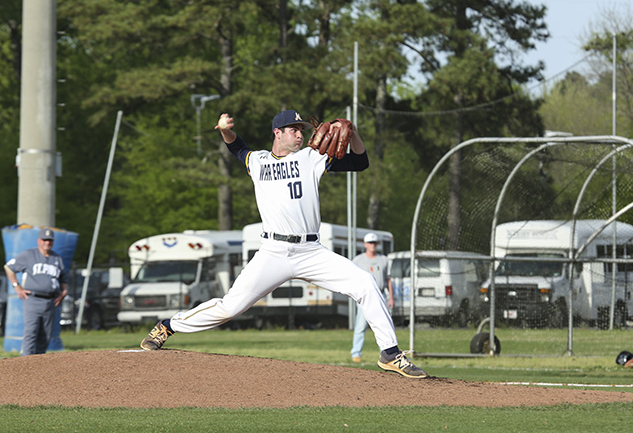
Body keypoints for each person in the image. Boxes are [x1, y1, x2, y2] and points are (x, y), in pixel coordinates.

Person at [141, 109, 427, 378]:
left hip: (311, 251)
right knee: (230, 307)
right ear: (277, 133)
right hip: (273, 252)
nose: (300, 135)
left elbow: (360, 162)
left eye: (302, 130)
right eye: (293, 129)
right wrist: (225, 131)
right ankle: (167, 327)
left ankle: (390, 353)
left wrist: (353, 136)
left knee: (365, 284)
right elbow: (237, 147)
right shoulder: (259, 161)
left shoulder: (312, 158)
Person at [4, 228, 68, 356]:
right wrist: (17, 287)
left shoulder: (57, 258)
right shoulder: (29, 255)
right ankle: (26, 363)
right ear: (39, 241)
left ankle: (39, 366)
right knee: (31, 332)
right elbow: (8, 268)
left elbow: (63, 279)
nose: (47, 243)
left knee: (45, 335)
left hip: (51, 301)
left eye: (50, 240)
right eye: (44, 240)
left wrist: (64, 291)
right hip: (32, 299)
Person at [350, 232, 392, 363]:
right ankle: (356, 353)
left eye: (374, 243)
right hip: (364, 295)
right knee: (361, 326)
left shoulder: (384, 259)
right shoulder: (358, 260)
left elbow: (388, 279)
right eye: (370, 243)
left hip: (380, 294)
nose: (372, 245)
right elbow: (352, 278)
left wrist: (391, 297)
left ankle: (385, 353)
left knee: (382, 325)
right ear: (365, 244)